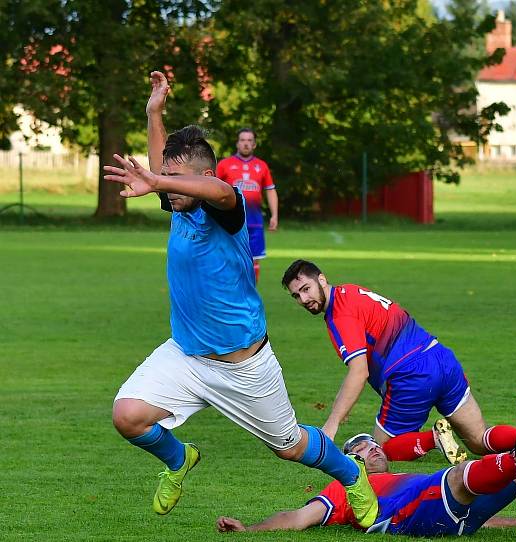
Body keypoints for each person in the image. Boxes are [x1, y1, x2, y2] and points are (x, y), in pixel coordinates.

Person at [103, 71, 377, 526]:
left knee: (290, 445)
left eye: (177, 179)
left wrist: (160, 180)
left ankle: (353, 476)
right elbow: (161, 165)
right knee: (128, 416)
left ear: (203, 176)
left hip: (245, 367)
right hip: (187, 356)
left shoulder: (227, 208)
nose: (168, 186)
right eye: (165, 179)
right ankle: (179, 460)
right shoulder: (176, 200)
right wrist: (155, 114)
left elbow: (218, 190)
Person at [281, 260, 516, 467]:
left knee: (382, 452)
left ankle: (434, 437)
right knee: (479, 441)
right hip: (441, 359)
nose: (304, 299)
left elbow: (359, 371)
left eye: (306, 289)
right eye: (297, 295)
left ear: (321, 279)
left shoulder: (339, 316)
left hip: (411, 376)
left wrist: (330, 426)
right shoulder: (351, 291)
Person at [216, 412, 516, 542]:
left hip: (457, 513)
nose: (372, 450)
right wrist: (250, 530)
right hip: (412, 516)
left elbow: (473, 513)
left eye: (373, 447)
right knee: (457, 476)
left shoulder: (401, 475)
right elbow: (298, 517)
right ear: (348, 462)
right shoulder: (347, 485)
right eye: (360, 450)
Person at [216, 128, 278, 282]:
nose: (246, 144)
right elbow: (213, 190)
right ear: (237, 143)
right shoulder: (224, 165)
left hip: (255, 222)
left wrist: (274, 215)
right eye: (243, 140)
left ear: (254, 145)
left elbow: (270, 190)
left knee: (254, 261)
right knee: (230, 260)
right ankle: (230, 294)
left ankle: (250, 297)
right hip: (231, 222)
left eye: (250, 140)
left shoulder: (262, 166)